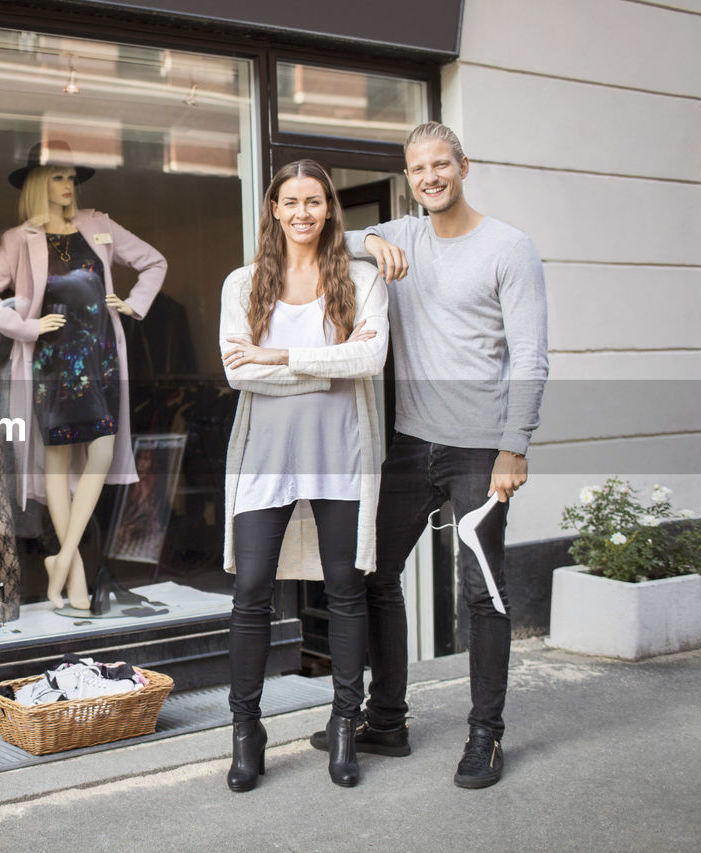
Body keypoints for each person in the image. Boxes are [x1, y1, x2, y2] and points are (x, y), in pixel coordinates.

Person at [308, 121, 549, 789]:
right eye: (418, 169)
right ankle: (386, 719)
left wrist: (514, 446)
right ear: (408, 177)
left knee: (482, 590)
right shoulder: (404, 236)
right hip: (413, 443)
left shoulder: (509, 248)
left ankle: (486, 737)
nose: (430, 177)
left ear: (463, 166)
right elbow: (325, 235)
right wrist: (373, 239)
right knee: (374, 574)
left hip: (481, 446)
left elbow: (530, 355)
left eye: (441, 164)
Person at [220, 159, 389, 791]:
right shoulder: (242, 284)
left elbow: (370, 358)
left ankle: (346, 722)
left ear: (329, 209)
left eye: (313, 201)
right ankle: (246, 730)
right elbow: (239, 372)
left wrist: (281, 356)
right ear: (273, 209)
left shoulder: (362, 278)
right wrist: (327, 366)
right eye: (290, 202)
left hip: (340, 454)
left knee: (345, 589)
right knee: (251, 592)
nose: (302, 213)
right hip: (264, 458)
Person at [0, 141, 166, 612]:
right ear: (39, 184)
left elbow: (154, 261)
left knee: (100, 452)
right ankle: (73, 579)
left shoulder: (99, 225)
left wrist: (134, 304)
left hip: (99, 357)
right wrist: (27, 326)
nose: (67, 186)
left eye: (71, 178)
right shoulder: (20, 239)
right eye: (58, 177)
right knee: (57, 463)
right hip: (52, 361)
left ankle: (64, 555)